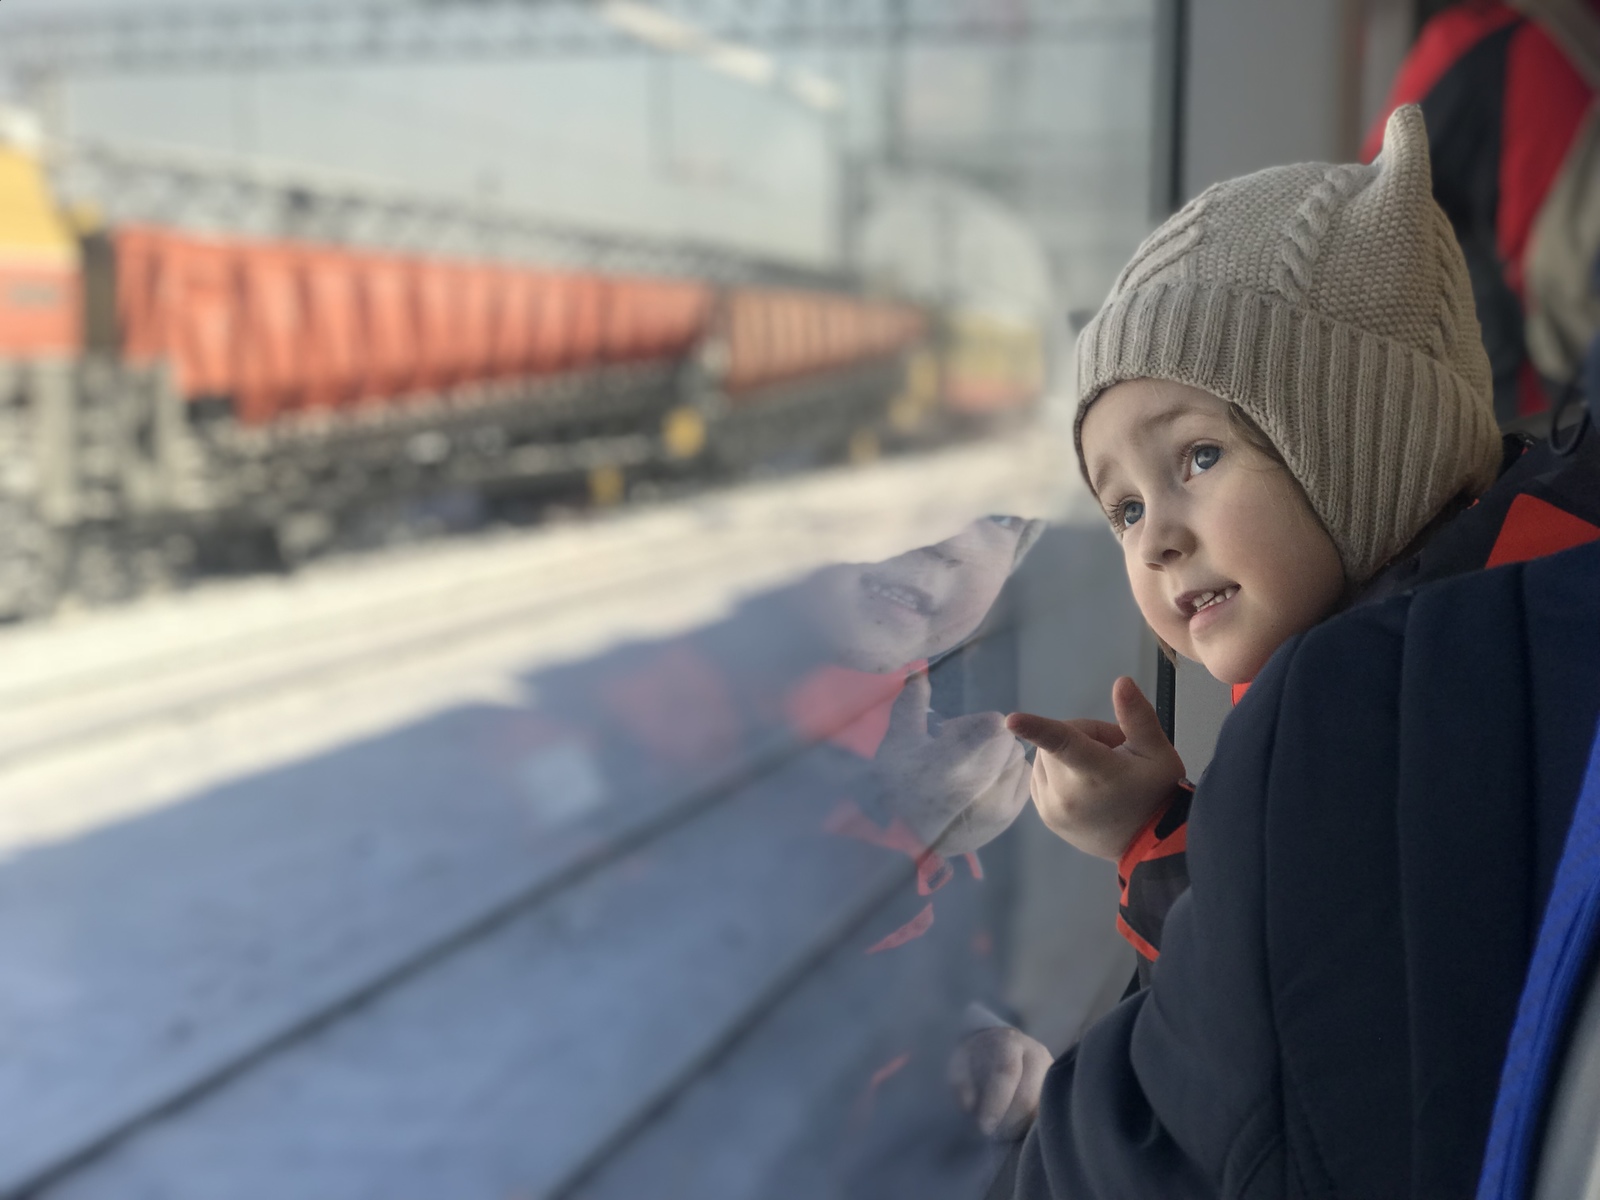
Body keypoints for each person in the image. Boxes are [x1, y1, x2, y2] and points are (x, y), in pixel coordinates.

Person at [947, 104, 1600, 1194]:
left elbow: (1186, 1133)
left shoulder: (1348, 720)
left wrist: (1158, 847)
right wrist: (1157, 835)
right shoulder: (1533, 588)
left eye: (1198, 456)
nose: (1154, 535)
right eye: (1118, 511)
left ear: (1367, 433)